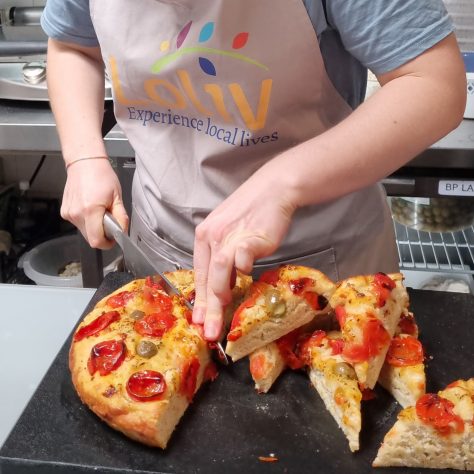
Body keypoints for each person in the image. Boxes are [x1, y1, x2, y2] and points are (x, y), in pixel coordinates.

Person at [41, 0, 466, 341]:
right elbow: (72, 45)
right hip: (165, 250)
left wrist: (284, 182)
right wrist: (84, 157)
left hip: (325, 261)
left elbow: (433, 82)